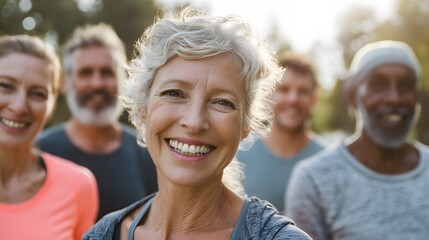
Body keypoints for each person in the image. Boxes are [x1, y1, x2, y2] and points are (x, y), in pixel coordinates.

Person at [84, 7, 312, 240]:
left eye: (222, 102)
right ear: (143, 107)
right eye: (174, 93)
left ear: (246, 125)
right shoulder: (102, 235)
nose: (194, 122)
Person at [286, 40, 429, 240]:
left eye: (405, 86)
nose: (394, 98)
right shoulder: (314, 180)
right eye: (379, 86)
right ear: (353, 96)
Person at [36, 23, 157, 220]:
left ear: (123, 80)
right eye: (86, 72)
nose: (97, 83)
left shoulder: (149, 153)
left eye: (106, 72)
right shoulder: (39, 151)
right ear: (66, 82)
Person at [0, 35, 98, 239]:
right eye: (5, 86)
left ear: (52, 105)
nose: (19, 107)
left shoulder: (78, 185)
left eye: (37, 94)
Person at [236, 51, 325, 213]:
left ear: (314, 100)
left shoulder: (327, 160)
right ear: (269, 94)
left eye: (302, 91)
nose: (293, 99)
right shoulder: (239, 154)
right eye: (284, 89)